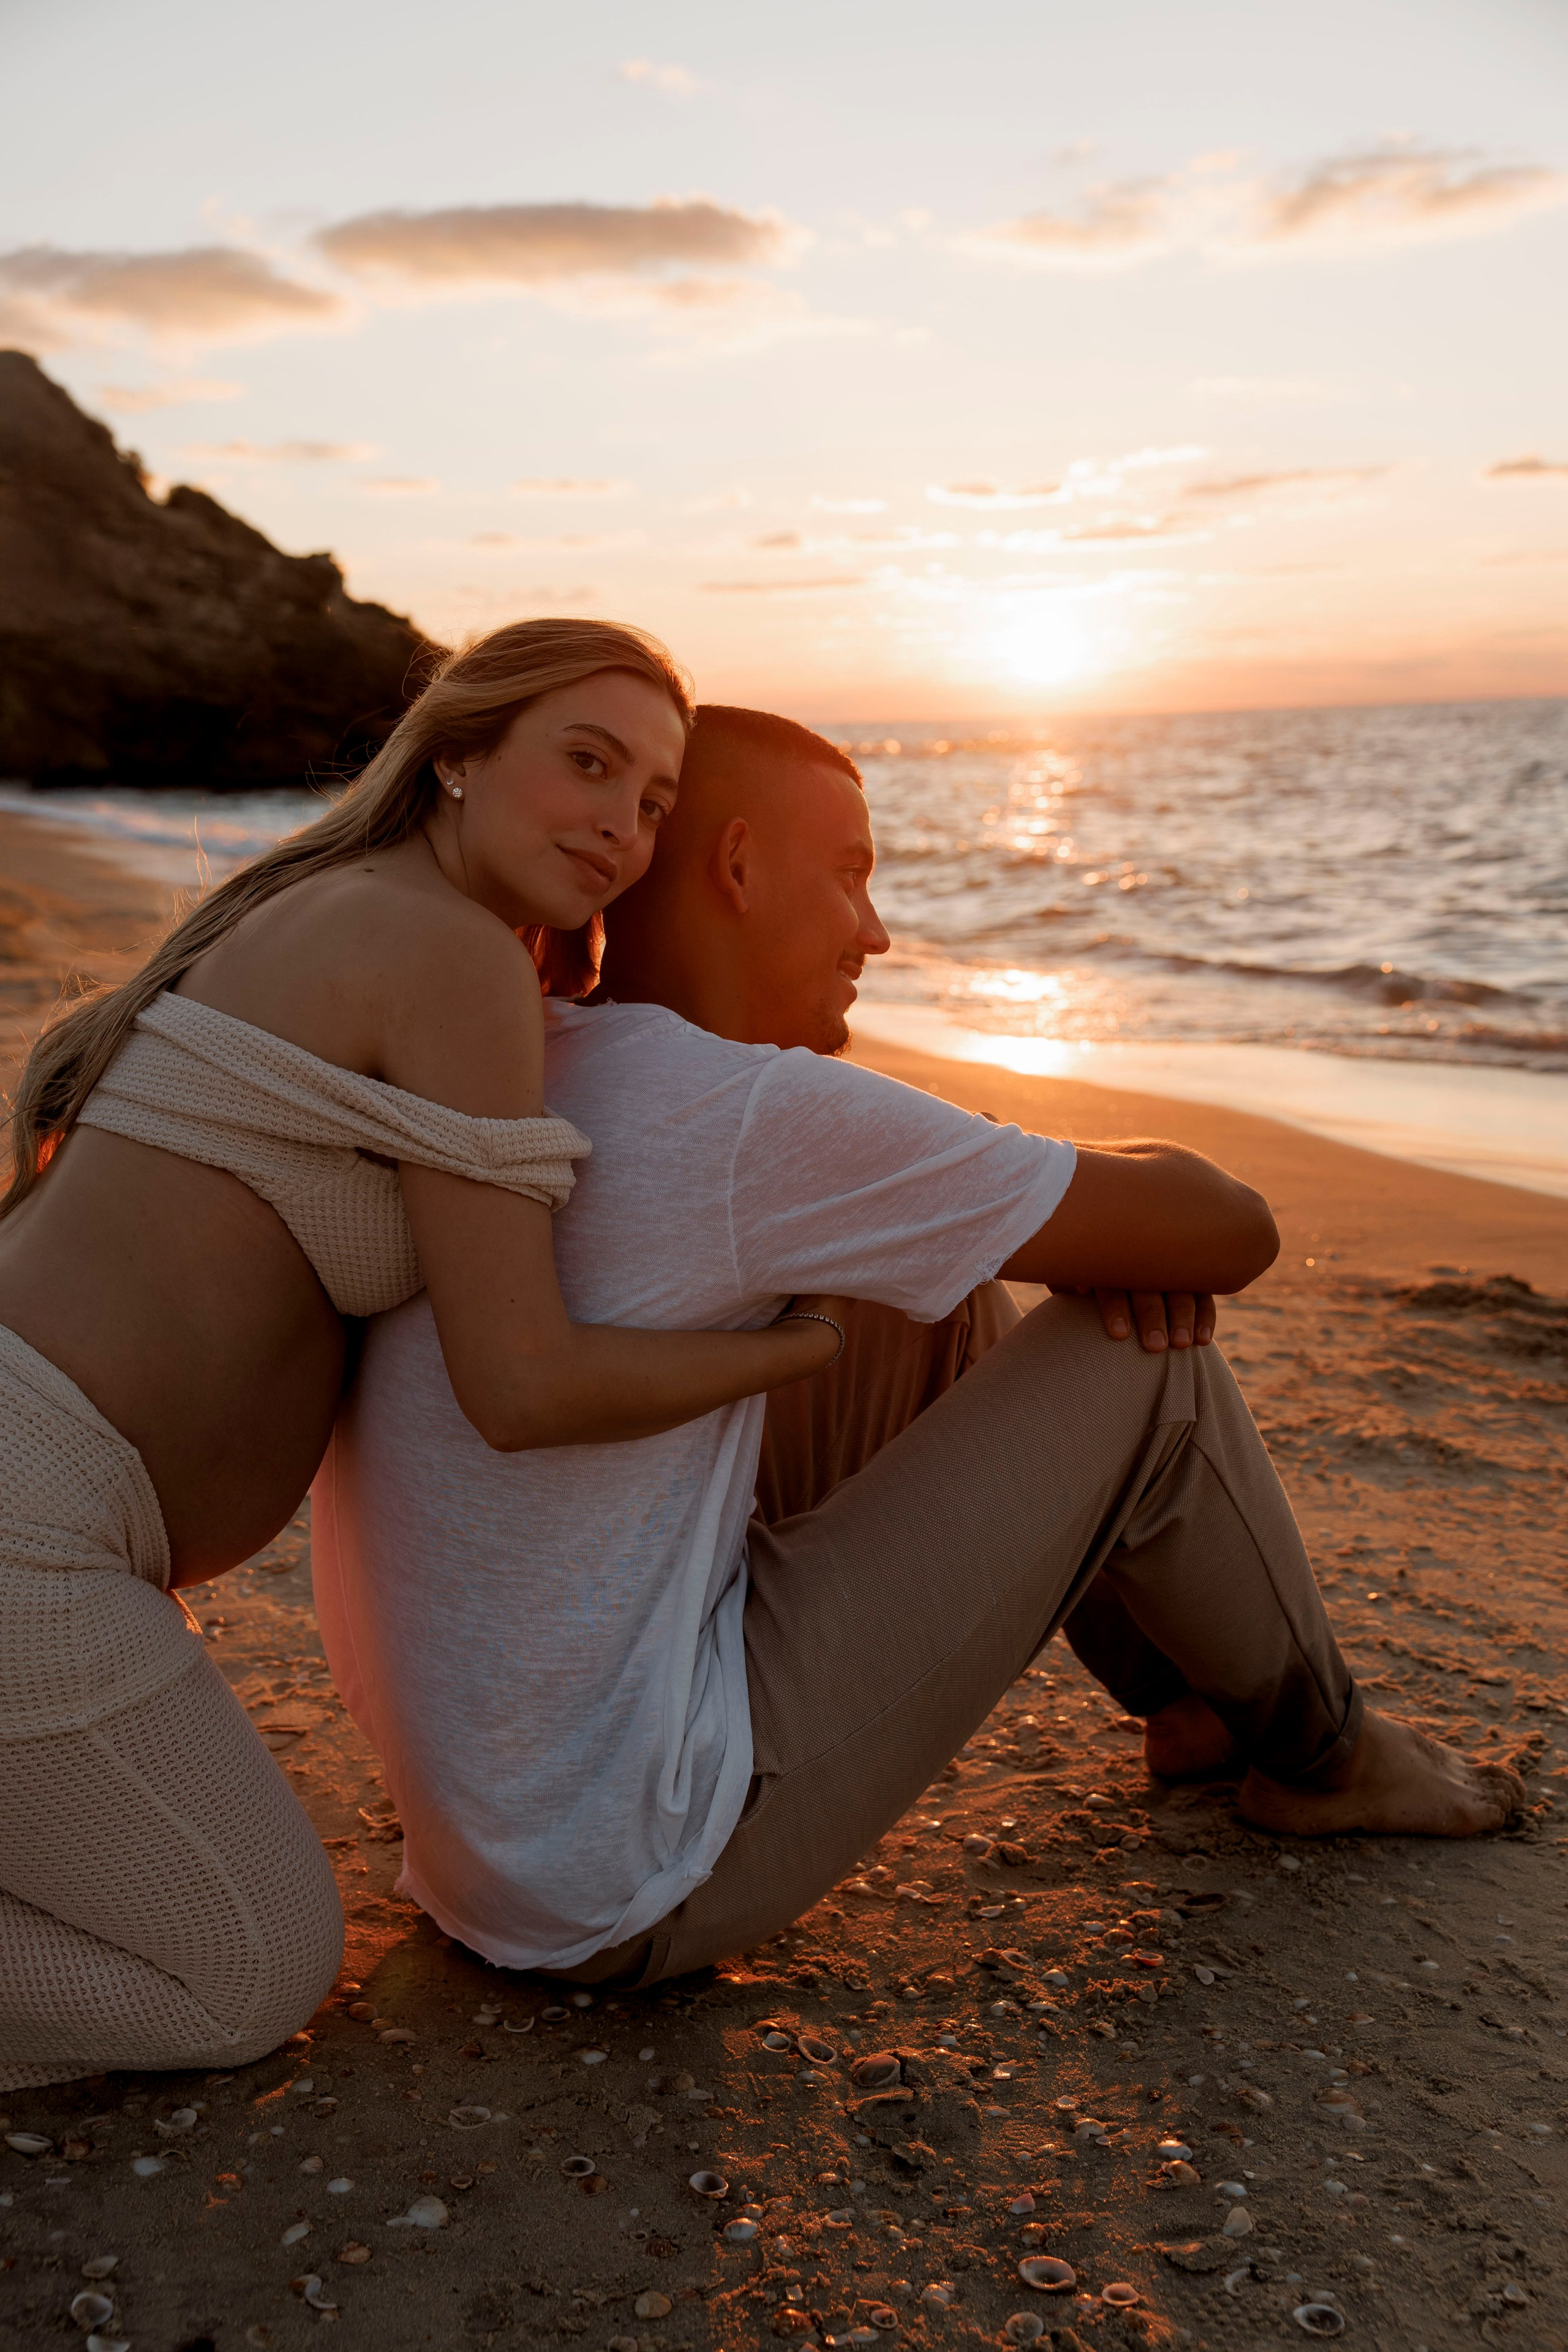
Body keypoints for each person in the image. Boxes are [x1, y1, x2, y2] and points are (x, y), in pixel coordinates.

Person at [311, 704, 1524, 1992]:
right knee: (1143, 1360)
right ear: (734, 869)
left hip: (495, 1824)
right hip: (628, 1866)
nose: (875, 933)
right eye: (850, 878)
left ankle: (1191, 1704)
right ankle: (1328, 1755)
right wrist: (1083, 1224)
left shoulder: (540, 1049)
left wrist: (998, 1209)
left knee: (920, 1291)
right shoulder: (738, 1112)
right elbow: (1230, 1229)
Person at [0, 627, 849, 2093]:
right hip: (29, 1527)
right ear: (456, 752)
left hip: (49, 1509)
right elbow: (520, 1389)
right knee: (241, 1971)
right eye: (586, 765)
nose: (619, 827)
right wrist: (801, 1347)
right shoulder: (444, 954)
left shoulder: (336, 908)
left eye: (653, 802)